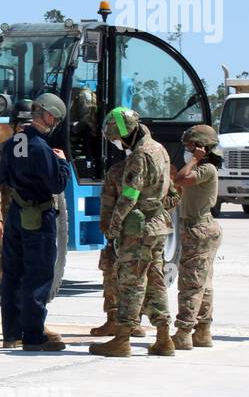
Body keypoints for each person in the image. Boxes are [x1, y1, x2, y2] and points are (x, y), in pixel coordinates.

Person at [90, 107, 174, 357]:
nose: (116, 142)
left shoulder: (139, 155)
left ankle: (122, 338)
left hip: (138, 228)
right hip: (158, 225)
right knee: (156, 281)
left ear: (125, 133)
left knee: (131, 282)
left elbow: (129, 196)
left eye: (116, 137)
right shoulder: (160, 149)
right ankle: (163, 337)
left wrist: (114, 227)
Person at [0, 98, 65, 349]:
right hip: (38, 217)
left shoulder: (10, 145)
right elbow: (57, 184)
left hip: (16, 216)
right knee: (38, 275)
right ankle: (33, 336)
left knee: (12, 276)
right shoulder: (41, 147)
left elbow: (4, 179)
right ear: (48, 115)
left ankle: (12, 333)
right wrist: (61, 162)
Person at [169, 125, 223, 349]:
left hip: (198, 229)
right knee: (204, 284)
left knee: (191, 284)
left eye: (191, 146)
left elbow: (181, 179)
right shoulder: (201, 169)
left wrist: (193, 160)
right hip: (199, 228)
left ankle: (184, 332)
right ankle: (202, 331)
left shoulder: (206, 169)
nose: (188, 150)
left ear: (203, 147)